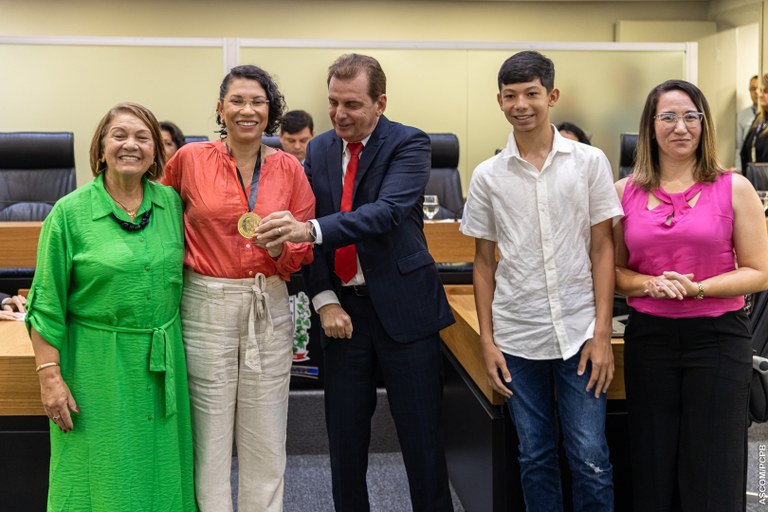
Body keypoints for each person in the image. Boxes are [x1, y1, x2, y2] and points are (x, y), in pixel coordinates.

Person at [255, 53, 455, 512]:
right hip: (342, 313)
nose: (340, 114)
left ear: (379, 102)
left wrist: (313, 230)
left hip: (405, 311)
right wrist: (324, 299)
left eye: (352, 105)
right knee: (344, 442)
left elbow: (385, 212)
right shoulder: (320, 149)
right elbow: (306, 223)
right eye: (333, 103)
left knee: (422, 440)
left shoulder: (409, 143)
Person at [461, 50, 620, 511]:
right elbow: (484, 262)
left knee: (590, 456)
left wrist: (603, 332)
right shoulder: (488, 176)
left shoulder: (589, 162)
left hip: (580, 332)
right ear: (499, 100)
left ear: (551, 96)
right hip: (517, 334)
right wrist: (487, 341)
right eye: (510, 96)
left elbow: (603, 248)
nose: (521, 104)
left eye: (531, 93)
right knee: (535, 455)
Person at [24, 102, 197, 511]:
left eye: (143, 137)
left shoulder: (172, 205)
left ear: (156, 151)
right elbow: (45, 303)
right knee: (97, 473)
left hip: (162, 366)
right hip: (95, 368)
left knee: (160, 473)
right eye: (119, 135)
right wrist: (49, 377)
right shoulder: (68, 213)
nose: (130, 145)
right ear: (101, 148)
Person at [161, 64, 315, 512]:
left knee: (266, 438)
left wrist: (287, 244)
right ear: (220, 109)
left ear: (270, 113)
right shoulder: (188, 160)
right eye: (238, 100)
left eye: (258, 102)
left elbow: (304, 245)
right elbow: (159, 223)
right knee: (208, 439)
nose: (247, 110)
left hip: (268, 301)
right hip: (205, 302)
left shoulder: (289, 169)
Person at [614, 79, 768, 511]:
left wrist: (698, 288)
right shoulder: (624, 193)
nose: (680, 127)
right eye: (668, 117)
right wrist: (649, 284)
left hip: (718, 340)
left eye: (690, 117)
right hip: (650, 339)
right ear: (650, 125)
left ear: (703, 124)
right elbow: (615, 272)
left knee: (714, 466)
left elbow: (760, 272)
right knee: (652, 460)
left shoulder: (733, 187)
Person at [740, 73, 768, 173]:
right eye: (761, 90)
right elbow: (744, 150)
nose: (760, 94)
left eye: (765, 91)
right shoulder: (759, 119)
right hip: (754, 179)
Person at [735, 75, 758, 171]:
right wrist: (739, 170)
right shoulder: (742, 115)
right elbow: (739, 147)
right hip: (749, 167)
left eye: (760, 88)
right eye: (753, 89)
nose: (756, 92)